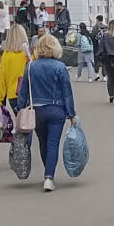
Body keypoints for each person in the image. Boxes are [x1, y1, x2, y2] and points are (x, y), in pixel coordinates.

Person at [15, 34, 78, 192]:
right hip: (56, 110)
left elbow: (23, 92)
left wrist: (19, 109)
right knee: (53, 143)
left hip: (36, 111)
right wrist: (71, 114)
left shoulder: (30, 66)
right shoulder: (60, 67)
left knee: (43, 142)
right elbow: (67, 93)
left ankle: (48, 171)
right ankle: (49, 177)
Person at [0, 25, 30, 114]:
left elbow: (2, 78)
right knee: (30, 122)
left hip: (13, 94)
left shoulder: (6, 55)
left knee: (21, 123)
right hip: (29, 94)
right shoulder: (27, 54)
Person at [93, 15, 106, 81]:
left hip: (96, 47)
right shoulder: (105, 27)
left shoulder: (95, 27)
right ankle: (104, 76)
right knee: (104, 62)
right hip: (104, 48)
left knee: (96, 61)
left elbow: (93, 37)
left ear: (97, 19)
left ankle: (97, 74)